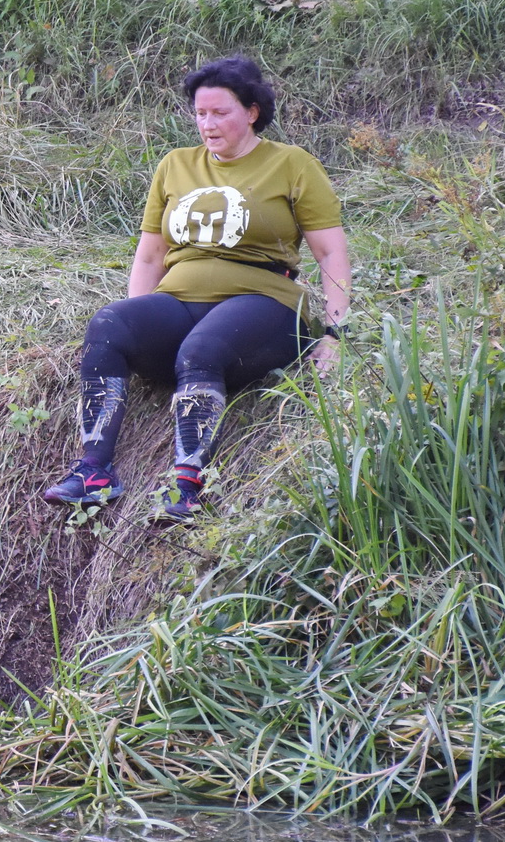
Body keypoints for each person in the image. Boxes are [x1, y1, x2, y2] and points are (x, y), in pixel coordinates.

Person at [41, 55, 351, 520]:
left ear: (251, 111)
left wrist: (335, 332)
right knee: (109, 325)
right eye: (200, 113)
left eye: (220, 112)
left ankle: (186, 485)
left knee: (201, 350)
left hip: (265, 303)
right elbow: (150, 256)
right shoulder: (175, 166)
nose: (207, 124)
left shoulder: (291, 164)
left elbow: (331, 253)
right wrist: (138, 320)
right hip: (180, 298)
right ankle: (94, 472)